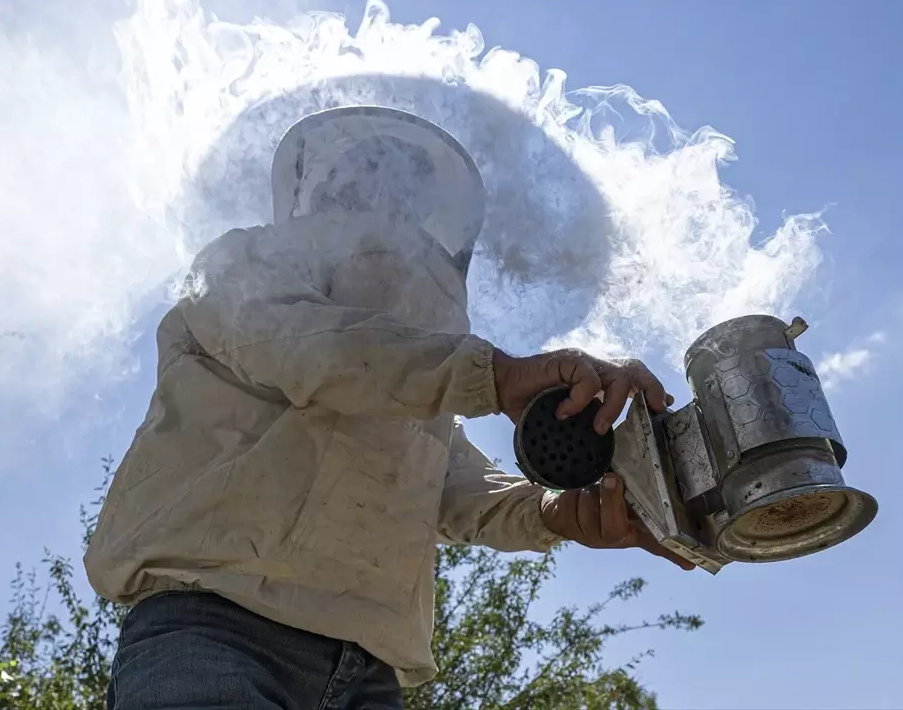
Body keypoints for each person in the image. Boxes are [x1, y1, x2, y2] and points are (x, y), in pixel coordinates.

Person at [84, 106, 693, 710]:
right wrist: (496, 376)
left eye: (406, 194)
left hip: (367, 666)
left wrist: (555, 512)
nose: (389, 206)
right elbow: (306, 347)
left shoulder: (414, 388)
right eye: (372, 183)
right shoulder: (240, 268)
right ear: (326, 196)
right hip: (212, 625)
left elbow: (450, 483)